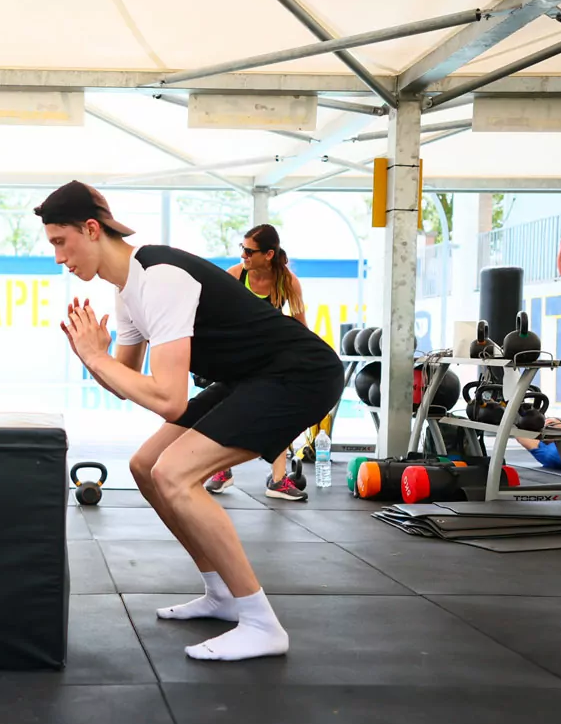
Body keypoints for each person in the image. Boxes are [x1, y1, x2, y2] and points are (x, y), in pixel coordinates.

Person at [38, 181, 343, 662]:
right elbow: (126, 381)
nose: (59, 257)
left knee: (174, 474)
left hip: (299, 374)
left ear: (91, 229)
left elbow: (170, 400)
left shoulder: (160, 277)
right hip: (252, 377)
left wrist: (98, 360)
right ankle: (220, 593)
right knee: (146, 464)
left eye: (60, 242)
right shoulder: (127, 291)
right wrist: (92, 358)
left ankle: (261, 623)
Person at [203, 224, 311, 501]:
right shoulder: (235, 276)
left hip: (270, 358)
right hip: (237, 355)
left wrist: (307, 360)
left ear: (269, 254)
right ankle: (222, 471)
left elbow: (301, 328)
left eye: (250, 252)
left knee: (281, 412)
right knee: (224, 411)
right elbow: (217, 318)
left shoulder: (288, 283)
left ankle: (277, 480)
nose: (244, 256)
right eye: (243, 250)